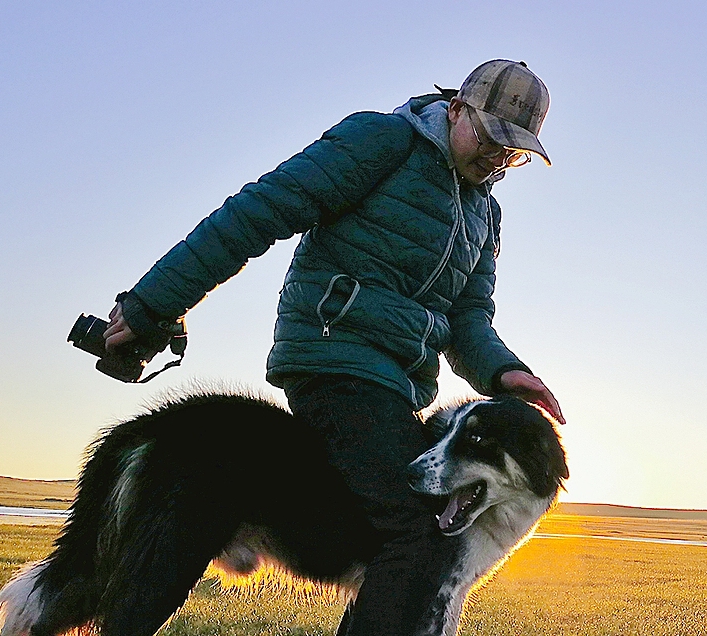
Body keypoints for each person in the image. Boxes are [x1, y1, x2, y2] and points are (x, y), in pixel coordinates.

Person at [101, 59, 564, 635]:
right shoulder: (383, 141)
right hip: (333, 357)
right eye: (491, 137)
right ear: (456, 109)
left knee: (409, 535)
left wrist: (502, 372)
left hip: (398, 388)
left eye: (513, 152)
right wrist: (152, 305)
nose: (497, 158)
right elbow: (259, 211)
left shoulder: (484, 213)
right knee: (417, 532)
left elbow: (468, 318)